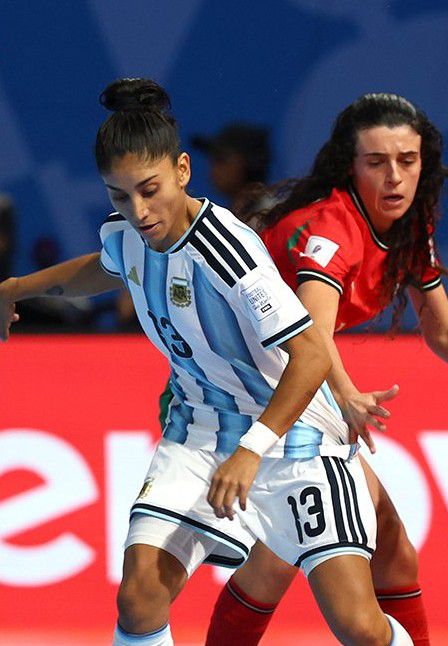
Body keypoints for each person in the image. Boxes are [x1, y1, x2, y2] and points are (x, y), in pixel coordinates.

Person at [0, 78, 413, 646]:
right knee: (139, 596)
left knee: (360, 629)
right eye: (120, 196)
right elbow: (104, 263)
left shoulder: (228, 250)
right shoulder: (133, 235)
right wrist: (15, 287)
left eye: (149, 190)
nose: (139, 211)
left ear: (183, 171)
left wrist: (251, 450)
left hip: (294, 441)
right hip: (198, 436)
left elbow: (312, 355)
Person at [203, 92, 448, 646]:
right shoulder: (330, 229)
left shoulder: (410, 227)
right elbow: (311, 336)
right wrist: (345, 396)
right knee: (373, 564)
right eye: (376, 162)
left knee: (290, 558)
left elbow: (439, 329)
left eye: (407, 161)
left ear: (423, 164)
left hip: (286, 384)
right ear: (350, 166)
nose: (394, 177)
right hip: (260, 390)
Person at [192, 123, 272, 219]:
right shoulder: (233, 215)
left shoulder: (272, 215)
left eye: (221, 159)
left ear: (250, 163)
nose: (214, 169)